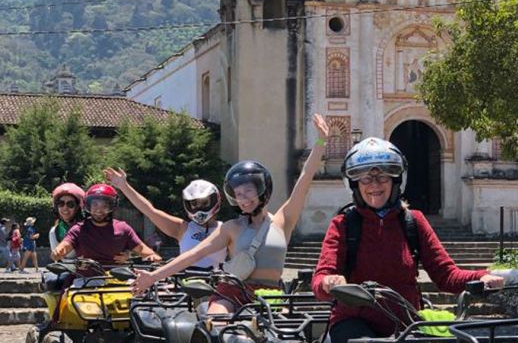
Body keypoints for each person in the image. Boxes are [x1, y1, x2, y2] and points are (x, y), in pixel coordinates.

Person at [312, 137, 504, 343]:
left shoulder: (413, 221)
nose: (374, 184)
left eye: (383, 176)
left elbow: (445, 274)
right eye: (365, 178)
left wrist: (482, 277)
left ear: (396, 180)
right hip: (353, 323)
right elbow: (321, 277)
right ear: (355, 184)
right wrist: (329, 282)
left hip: (405, 325)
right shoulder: (343, 224)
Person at [131, 113, 330, 311]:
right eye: (238, 194)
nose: (243, 199)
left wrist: (321, 140)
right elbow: (193, 254)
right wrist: (153, 277)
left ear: (262, 189)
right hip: (234, 293)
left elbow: (304, 179)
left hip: (271, 298)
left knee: (297, 333)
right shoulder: (231, 228)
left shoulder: (282, 221)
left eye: (248, 191)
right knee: (217, 322)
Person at [103, 168, 227, 269]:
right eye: (194, 204)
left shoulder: (227, 229)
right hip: (187, 285)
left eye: (204, 203)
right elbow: (149, 210)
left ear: (215, 200)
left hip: (218, 287)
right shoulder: (182, 228)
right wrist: (124, 186)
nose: (199, 208)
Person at [51, 183, 161, 265]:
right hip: (84, 283)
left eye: (104, 205)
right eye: (94, 205)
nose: (99, 210)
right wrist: (58, 252)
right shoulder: (78, 229)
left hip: (117, 281)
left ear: (112, 206)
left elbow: (143, 250)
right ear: (88, 206)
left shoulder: (123, 229)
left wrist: (152, 256)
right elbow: (64, 246)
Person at [49, 183, 86, 259]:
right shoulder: (55, 231)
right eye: (61, 203)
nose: (65, 208)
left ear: (78, 208)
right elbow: (58, 261)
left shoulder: (89, 228)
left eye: (70, 204)